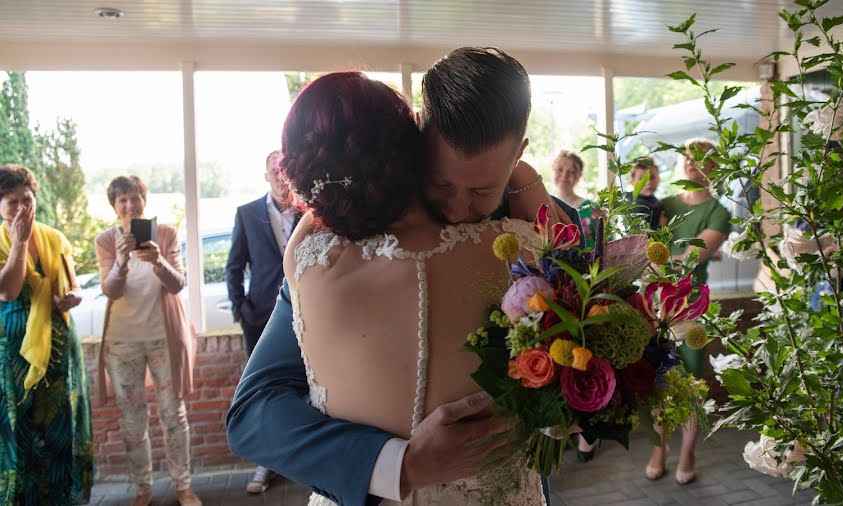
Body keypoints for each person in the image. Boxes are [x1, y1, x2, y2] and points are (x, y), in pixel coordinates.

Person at [227, 47, 580, 505]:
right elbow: (256, 412)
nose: (456, 208)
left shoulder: (552, 224)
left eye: (481, 191)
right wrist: (397, 464)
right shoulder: (340, 237)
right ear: (418, 136)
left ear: (518, 155)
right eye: (441, 183)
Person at [94, 176, 201, 506]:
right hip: (122, 343)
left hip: (163, 339)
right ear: (114, 205)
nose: (129, 205)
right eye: (122, 199)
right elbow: (110, 290)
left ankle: (182, 485)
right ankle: (143, 489)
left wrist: (158, 260)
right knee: (132, 420)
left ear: (144, 200)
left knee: (174, 414)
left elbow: (177, 284)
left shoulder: (165, 233)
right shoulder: (106, 240)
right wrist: (123, 262)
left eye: (135, 198)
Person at [0, 164, 93, 505]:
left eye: (27, 199)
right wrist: (19, 243)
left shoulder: (55, 238)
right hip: (15, 353)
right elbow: (7, 291)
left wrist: (72, 298)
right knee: (21, 429)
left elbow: (75, 287)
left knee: (60, 429)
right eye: (12, 202)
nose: (22, 208)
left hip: (58, 351)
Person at [649, 138, 731, 485]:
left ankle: (687, 451)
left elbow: (692, 258)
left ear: (714, 166)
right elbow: (642, 246)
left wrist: (663, 257)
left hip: (693, 304)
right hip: (658, 304)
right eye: (687, 157)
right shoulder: (663, 203)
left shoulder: (718, 213)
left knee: (693, 380)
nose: (692, 163)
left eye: (701, 159)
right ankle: (659, 447)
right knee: (658, 380)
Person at [225, 150, 299, 493]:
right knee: (265, 391)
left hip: (307, 314)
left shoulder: (310, 212)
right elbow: (234, 265)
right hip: (259, 318)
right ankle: (265, 463)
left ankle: (303, 460)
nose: (281, 176)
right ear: (266, 176)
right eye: (275, 171)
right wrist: (240, 308)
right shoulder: (247, 214)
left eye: (286, 170)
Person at [552, 150, 599, 247]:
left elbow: (608, 245)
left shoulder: (592, 209)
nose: (564, 175)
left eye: (572, 172)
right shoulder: (546, 205)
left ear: (579, 175)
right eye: (560, 169)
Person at [626, 157, 663, 230]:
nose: (648, 182)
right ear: (632, 181)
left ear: (658, 178)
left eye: (652, 177)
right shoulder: (625, 199)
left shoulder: (657, 204)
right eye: (642, 179)